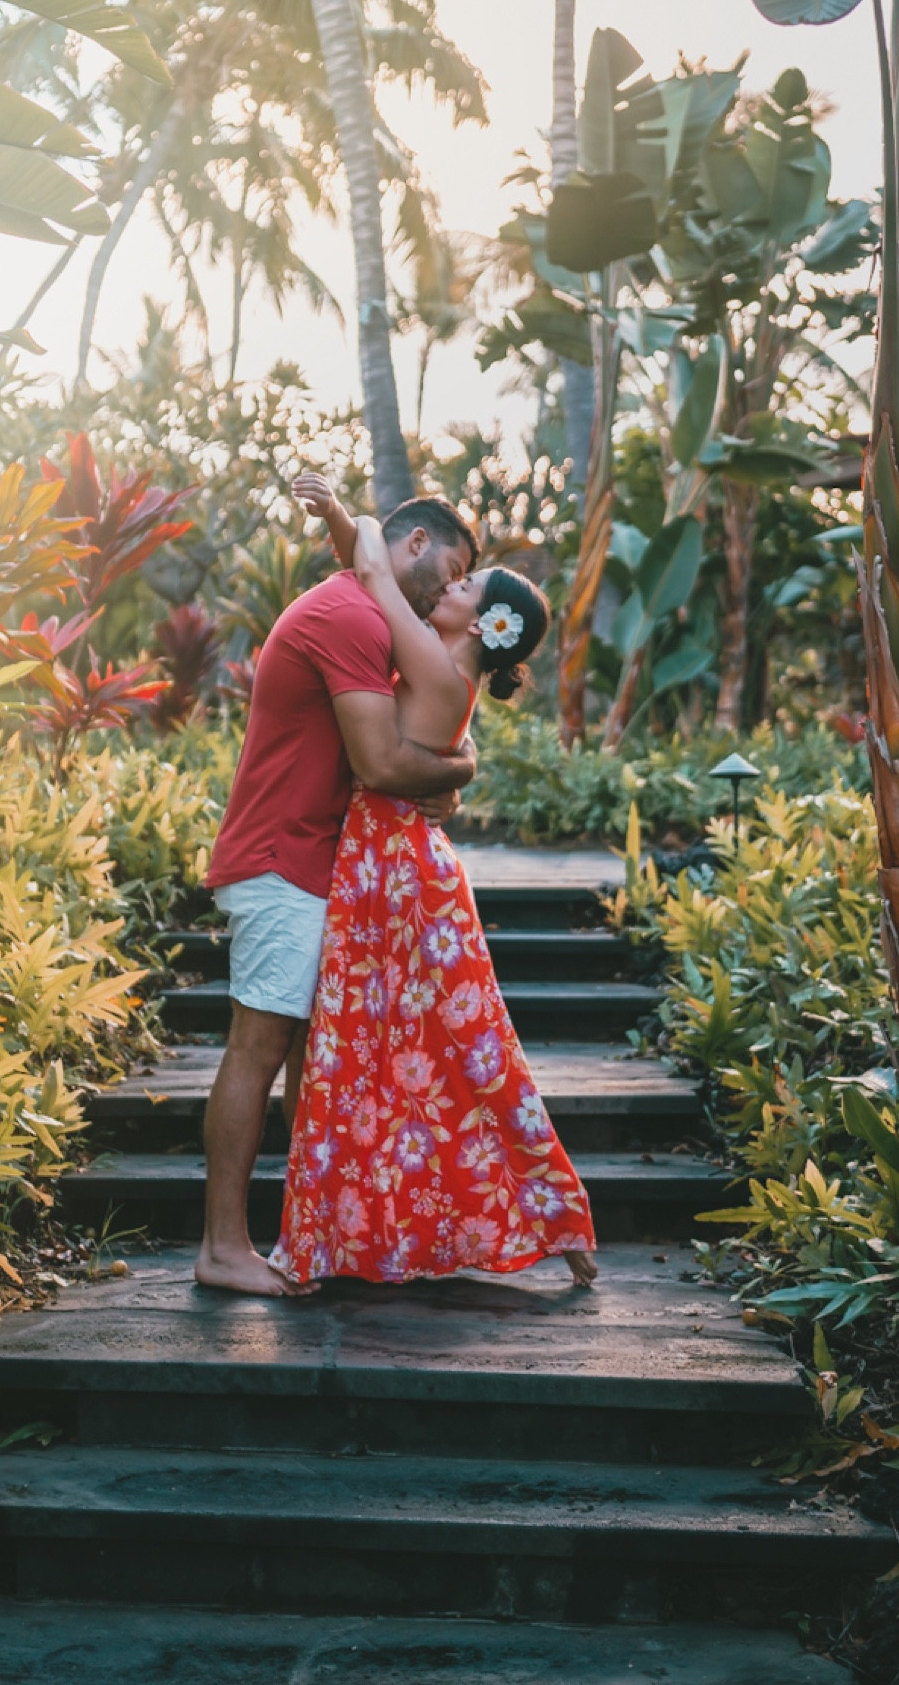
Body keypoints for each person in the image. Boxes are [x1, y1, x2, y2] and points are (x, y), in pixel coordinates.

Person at [270, 472, 597, 1290]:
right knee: (419, 1043)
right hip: (392, 864)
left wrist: (349, 512)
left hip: (393, 869)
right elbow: (379, 576)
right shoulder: (443, 667)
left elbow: (374, 569)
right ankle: (527, 1221)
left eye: (463, 586)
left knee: (420, 1041)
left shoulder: (441, 671)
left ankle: (548, 1218)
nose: (448, 587)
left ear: (484, 623)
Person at [196, 490, 481, 1297]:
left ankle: (315, 1236)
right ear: (415, 542)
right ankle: (222, 1248)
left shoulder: (368, 608)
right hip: (281, 862)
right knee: (258, 1048)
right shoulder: (351, 617)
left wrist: (452, 768)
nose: (448, 587)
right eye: (452, 568)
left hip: (315, 865)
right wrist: (461, 770)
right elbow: (382, 763)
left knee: (310, 1059)